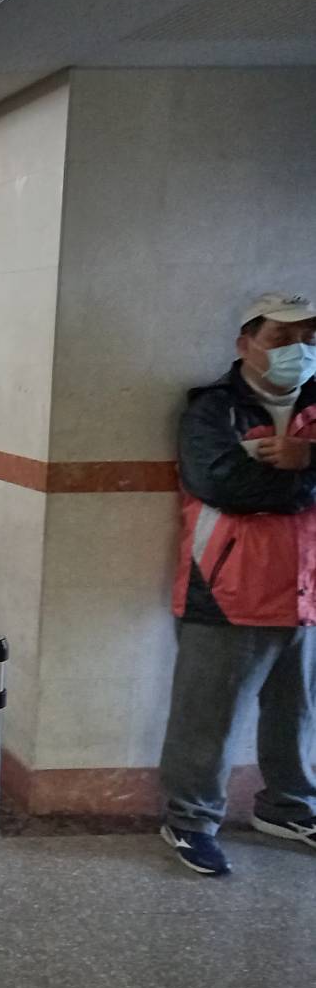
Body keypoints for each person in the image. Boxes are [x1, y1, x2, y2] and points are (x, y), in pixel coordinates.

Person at [160, 291, 316, 876]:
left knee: (298, 713)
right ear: (245, 344)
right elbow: (225, 485)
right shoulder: (212, 410)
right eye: (281, 337)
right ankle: (190, 820)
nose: (299, 349)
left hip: (307, 591)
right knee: (207, 719)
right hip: (227, 590)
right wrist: (304, 480)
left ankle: (289, 808)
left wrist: (305, 459)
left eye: (309, 338)